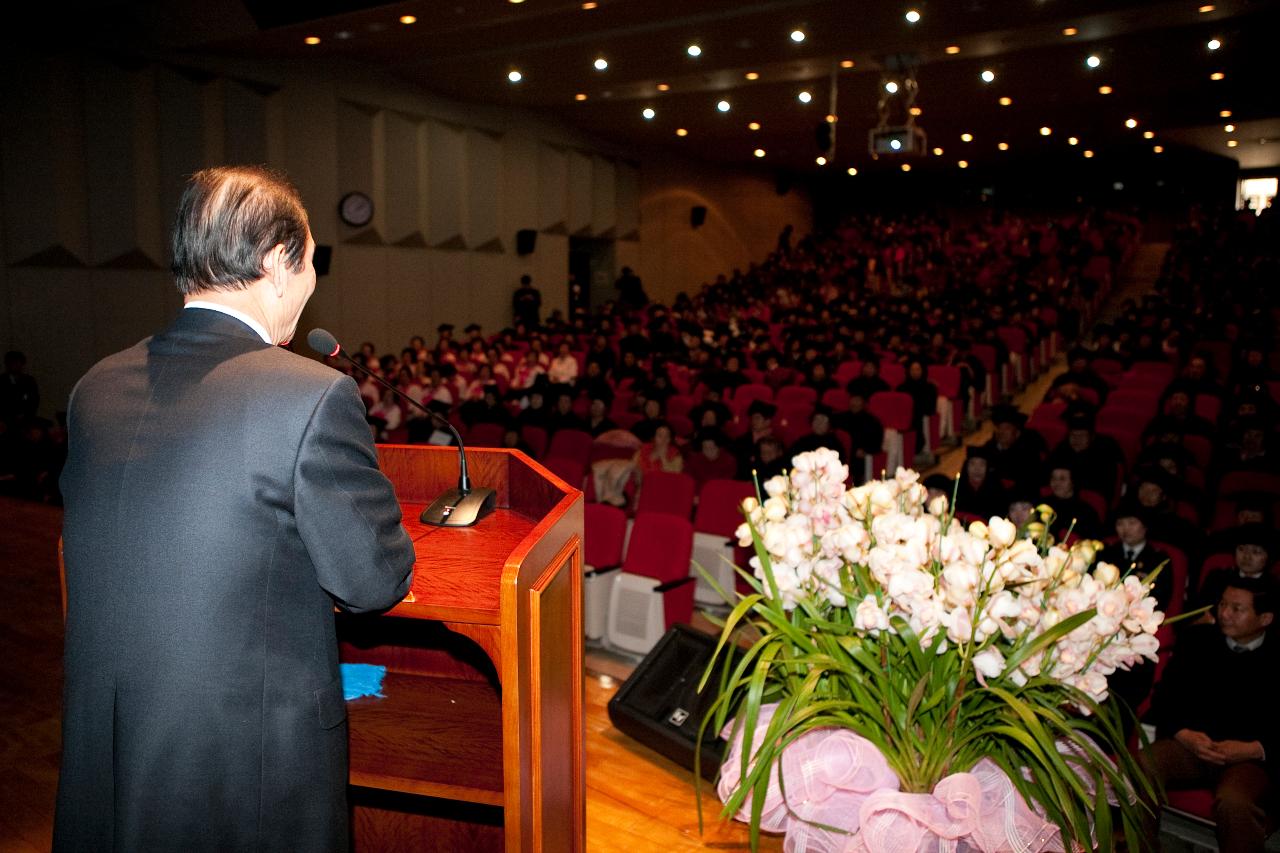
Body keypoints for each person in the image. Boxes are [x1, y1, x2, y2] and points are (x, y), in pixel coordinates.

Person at [55, 166, 416, 851]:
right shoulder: (308, 396)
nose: (313, 282)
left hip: (110, 752)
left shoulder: (94, 388)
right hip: (243, 771)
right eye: (313, 261)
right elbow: (371, 583)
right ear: (279, 264)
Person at [1144, 577, 1279, 853]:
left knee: (1234, 802)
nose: (1224, 613)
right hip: (1193, 745)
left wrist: (1254, 749)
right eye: (1223, 604)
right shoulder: (1198, 640)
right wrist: (1184, 734)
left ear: (1265, 618)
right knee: (1141, 767)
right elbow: (1164, 698)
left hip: (1250, 758)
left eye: (1237, 609)